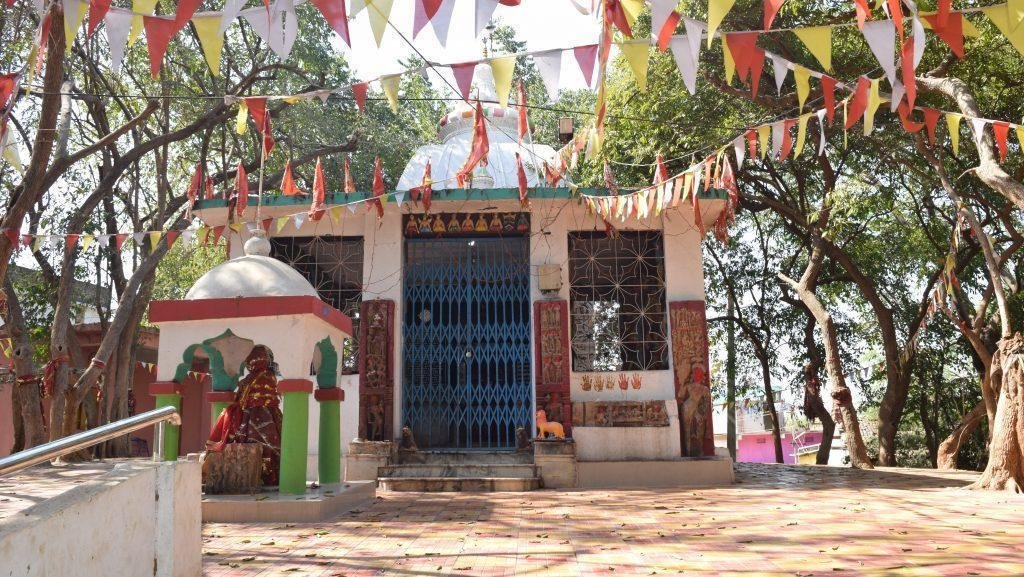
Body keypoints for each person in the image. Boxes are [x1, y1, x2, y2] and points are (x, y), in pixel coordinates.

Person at [206, 346, 283, 486]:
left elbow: (243, 399)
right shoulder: (270, 376)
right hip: (270, 416)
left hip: (249, 416)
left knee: (245, 438)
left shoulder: (251, 379)